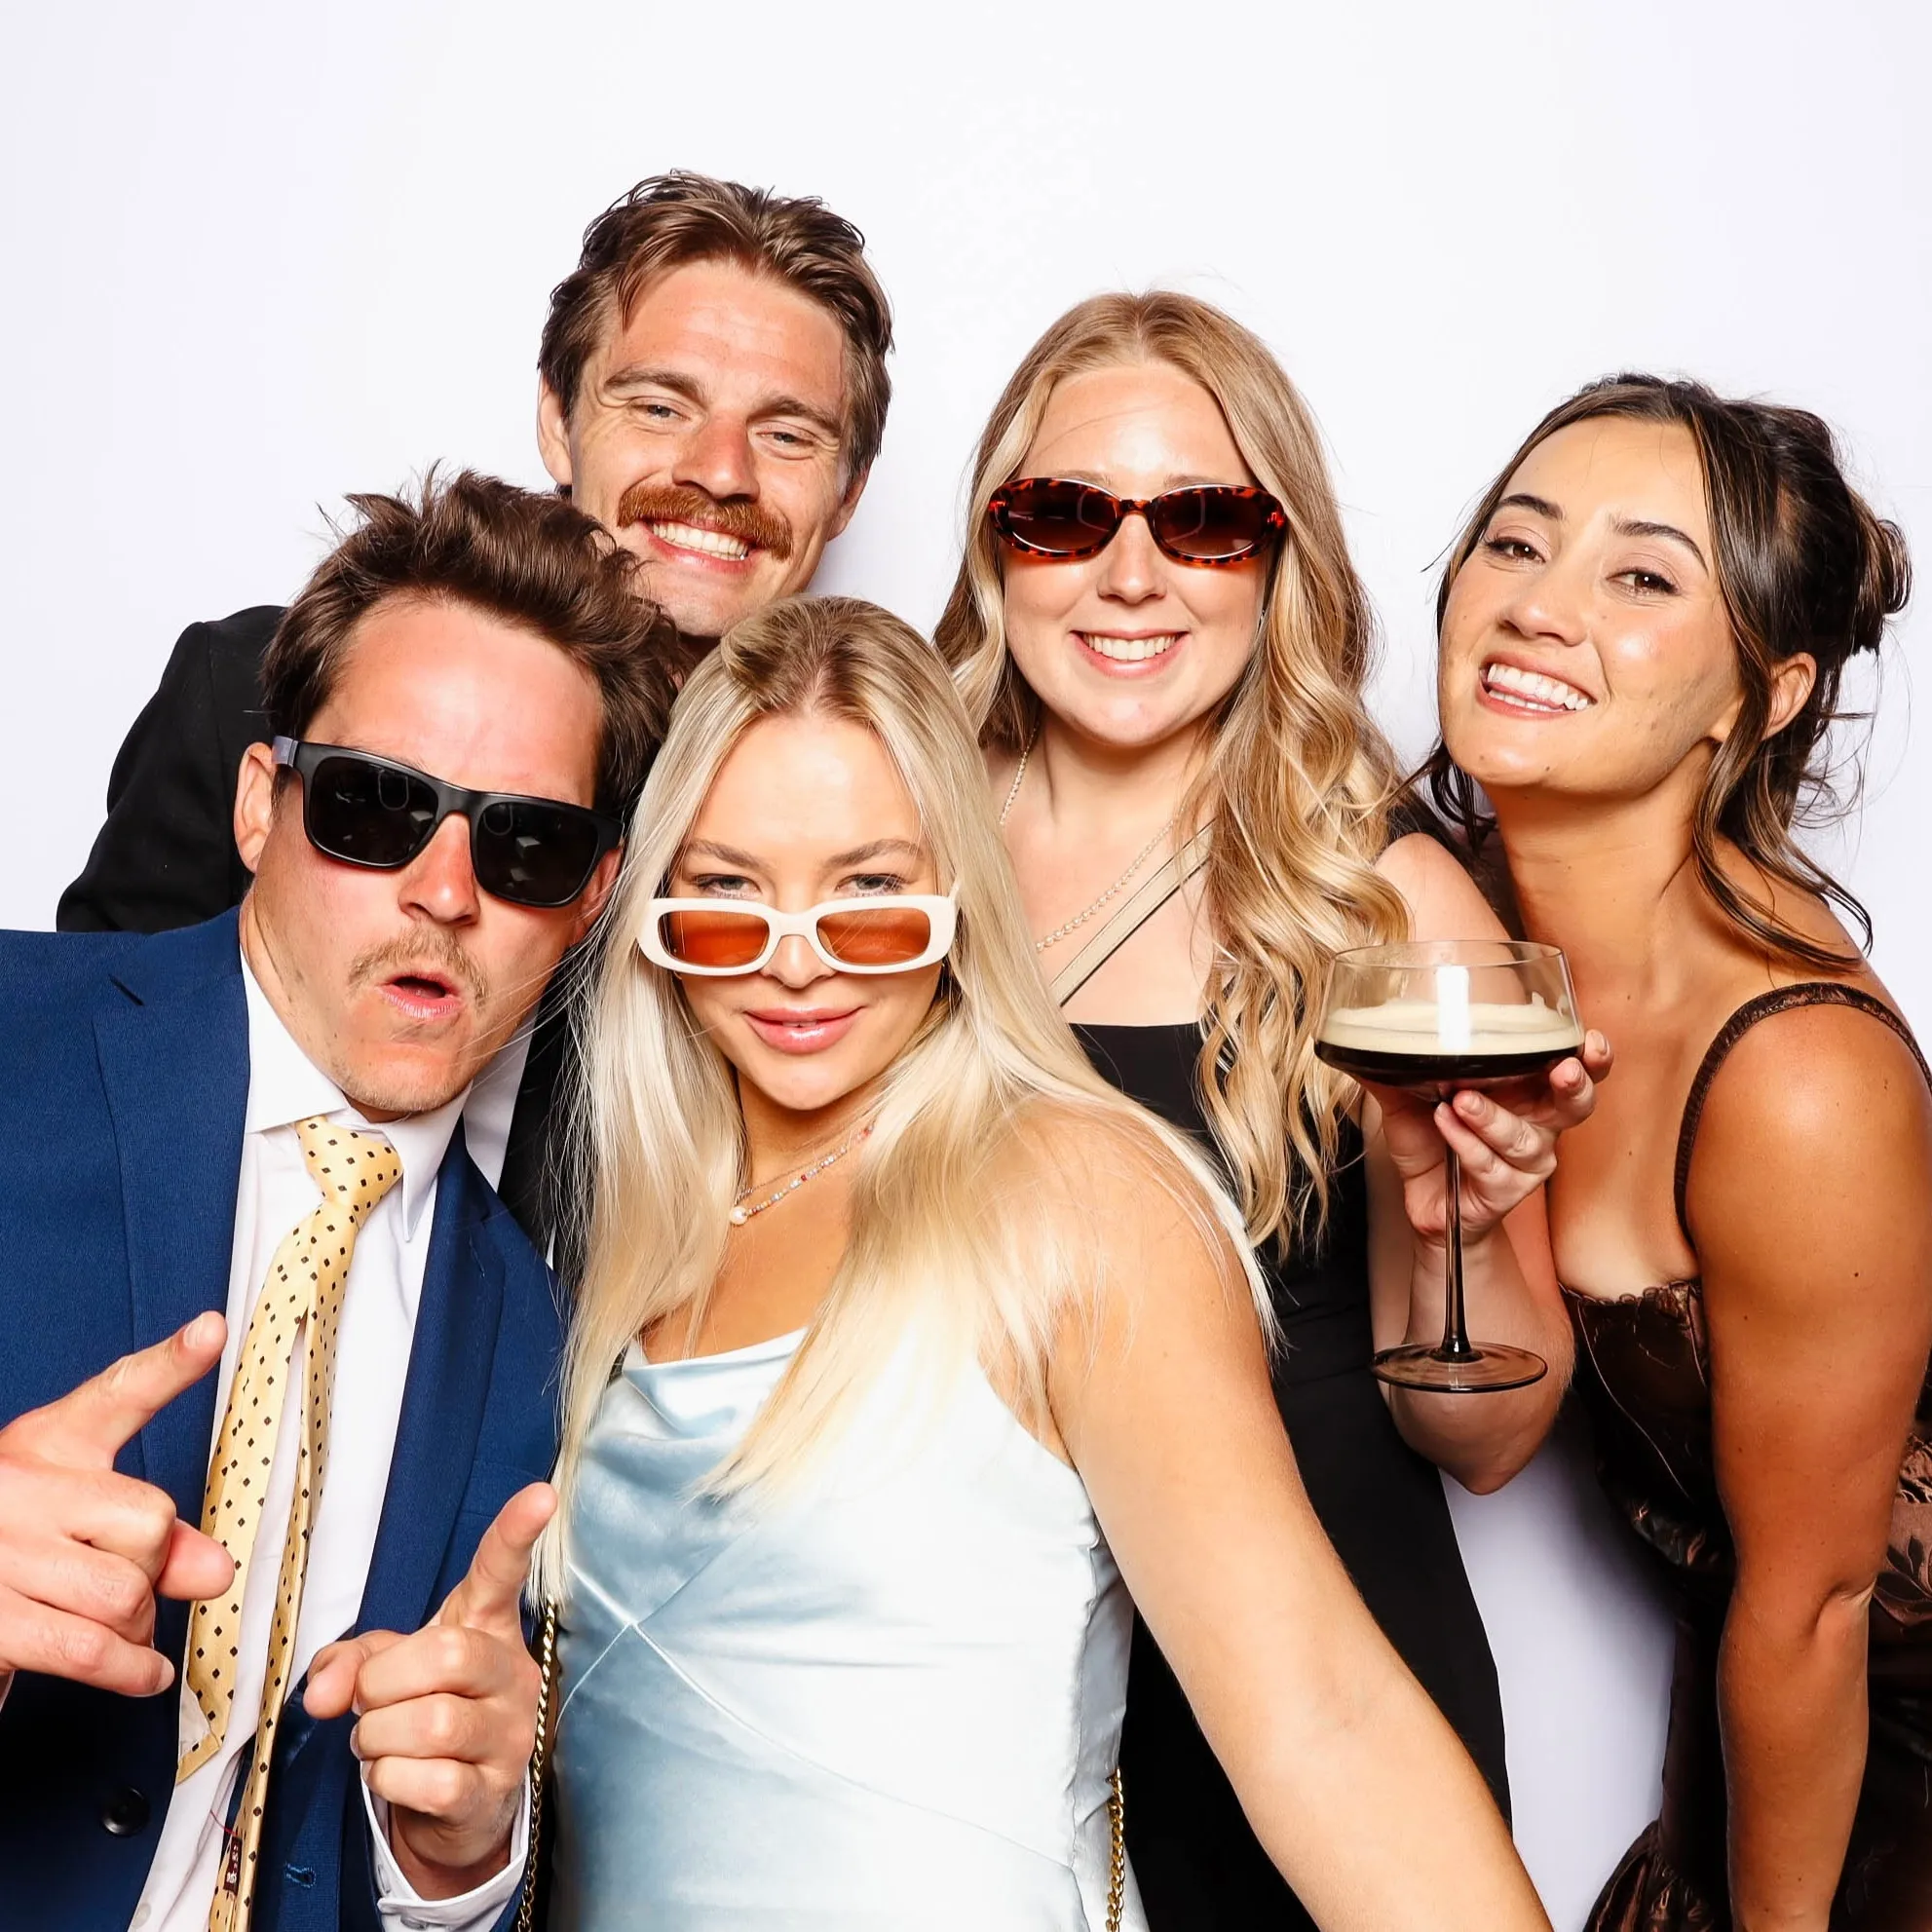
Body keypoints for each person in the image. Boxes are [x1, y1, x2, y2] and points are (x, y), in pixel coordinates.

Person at [433, 591, 1551, 1931]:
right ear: (654, 913)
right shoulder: (618, 1222)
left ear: (957, 899)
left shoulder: (1076, 1195)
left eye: (868, 896)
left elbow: (1323, 1716)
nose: (795, 967)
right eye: (728, 898)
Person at [932, 290, 1607, 1930]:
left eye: (1205, 521)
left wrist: (1456, 1221)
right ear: (992, 542)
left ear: (1278, 558)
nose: (1130, 572)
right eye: (1066, 513)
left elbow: (1491, 1434)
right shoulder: (886, 836)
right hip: (965, 1684)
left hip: (1309, 1703)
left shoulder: (1382, 902)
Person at [0, 473, 668, 1931]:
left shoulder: (547, 1334)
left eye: (525, 845)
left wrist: (459, 1866)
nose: (444, 889)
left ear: (591, 892)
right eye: (376, 807)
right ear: (261, 802)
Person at [55, 170, 894, 1246]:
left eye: (786, 435)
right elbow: (77, 1084)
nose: (718, 471)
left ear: (849, 492)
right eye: (657, 405)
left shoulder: (844, 823)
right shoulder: (258, 695)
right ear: (557, 419)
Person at [1430, 374, 1932, 1928]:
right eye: (1515, 546)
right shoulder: (1450, 922)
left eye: (1640, 575)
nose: (1537, 609)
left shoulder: (1794, 1072)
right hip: (1748, 1733)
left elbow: (1815, 1600)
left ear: (1757, 697)